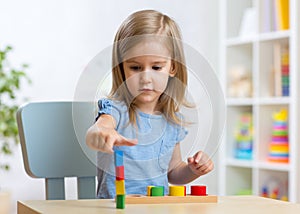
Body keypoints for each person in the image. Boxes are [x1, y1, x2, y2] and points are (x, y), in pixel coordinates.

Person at [86, 9, 214, 199]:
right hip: (114, 209)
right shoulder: (116, 109)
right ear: (122, 68)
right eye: (135, 67)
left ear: (172, 68)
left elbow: (173, 172)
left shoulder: (172, 121)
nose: (146, 78)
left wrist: (193, 169)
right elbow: (100, 127)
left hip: (156, 208)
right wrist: (101, 133)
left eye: (156, 67)